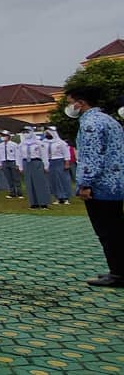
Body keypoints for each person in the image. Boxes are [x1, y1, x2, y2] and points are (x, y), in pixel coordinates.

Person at [65, 85, 124, 287]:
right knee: (116, 228)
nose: (70, 107)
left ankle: (118, 273)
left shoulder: (90, 123)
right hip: (116, 183)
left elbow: (91, 156)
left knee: (107, 231)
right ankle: (118, 269)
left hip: (101, 185)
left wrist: (85, 184)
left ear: (80, 103)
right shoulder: (110, 120)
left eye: (70, 102)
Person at [20, 127, 51, 209]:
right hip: (26, 163)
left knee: (40, 183)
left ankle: (43, 203)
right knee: (29, 183)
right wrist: (20, 166)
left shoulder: (39, 143)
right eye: (24, 132)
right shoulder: (22, 144)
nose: (26, 133)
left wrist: (46, 165)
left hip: (36, 162)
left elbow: (44, 155)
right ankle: (33, 203)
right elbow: (19, 156)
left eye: (27, 131)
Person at [45, 127, 72, 205]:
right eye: (46, 133)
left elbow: (66, 153)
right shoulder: (44, 143)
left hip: (59, 161)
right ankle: (57, 197)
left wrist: (67, 163)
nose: (47, 135)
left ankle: (65, 197)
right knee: (53, 180)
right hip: (50, 162)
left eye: (48, 133)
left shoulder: (61, 143)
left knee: (62, 179)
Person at [0, 131, 23, 199]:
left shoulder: (14, 145)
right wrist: (0, 164)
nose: (3, 137)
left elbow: (18, 155)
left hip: (12, 161)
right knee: (9, 178)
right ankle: (12, 193)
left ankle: (19, 193)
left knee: (16, 178)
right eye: (2, 136)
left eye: (4, 135)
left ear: (8, 136)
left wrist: (18, 164)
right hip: (5, 162)